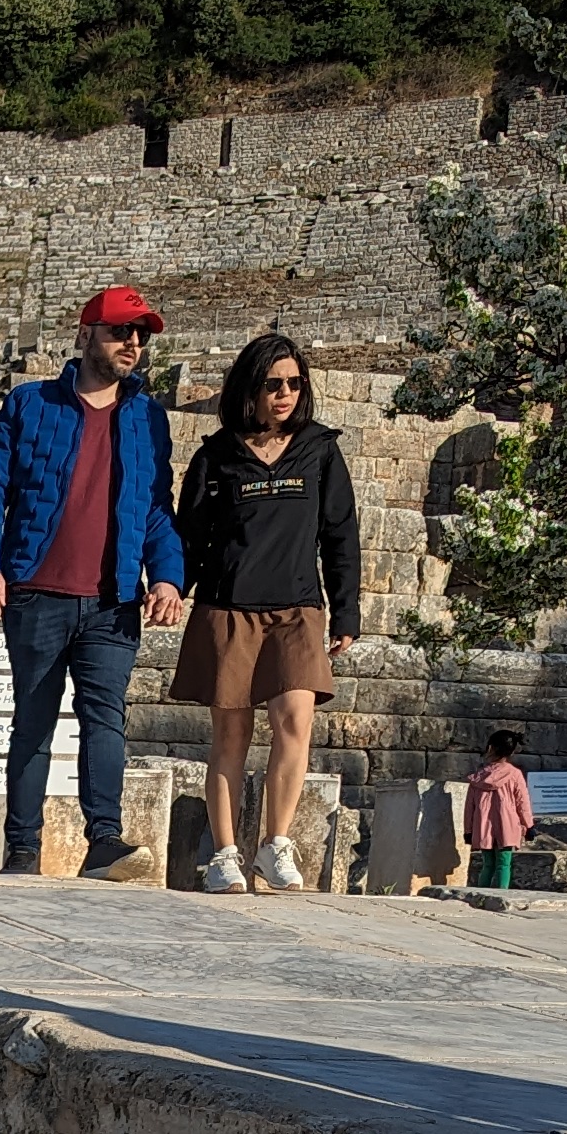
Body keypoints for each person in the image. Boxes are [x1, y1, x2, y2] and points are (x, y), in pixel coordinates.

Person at [0, 286, 186, 880]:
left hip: (113, 599)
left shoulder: (147, 419)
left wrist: (167, 577)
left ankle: (104, 841)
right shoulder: (30, 405)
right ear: (86, 335)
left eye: (141, 335)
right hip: (35, 591)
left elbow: (156, 507)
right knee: (33, 718)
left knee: (105, 717)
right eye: (120, 332)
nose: (133, 344)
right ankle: (22, 851)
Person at [172, 329, 362, 894]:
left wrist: (347, 612)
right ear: (249, 389)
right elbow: (192, 537)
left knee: (294, 721)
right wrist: (169, 588)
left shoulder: (321, 450)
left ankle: (276, 845)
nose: (285, 394)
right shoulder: (217, 456)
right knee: (231, 733)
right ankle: (226, 854)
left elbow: (340, 535)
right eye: (273, 383)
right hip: (229, 607)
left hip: (298, 608)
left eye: (294, 383)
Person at [465, 726, 534, 890]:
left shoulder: (478, 778)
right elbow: (522, 802)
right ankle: (502, 894)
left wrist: (468, 830)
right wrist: (529, 825)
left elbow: (469, 807)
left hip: (483, 826)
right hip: (507, 826)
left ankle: (480, 895)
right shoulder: (515, 774)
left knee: (487, 865)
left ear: (490, 748)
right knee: (504, 864)